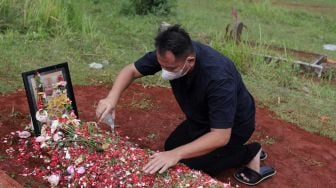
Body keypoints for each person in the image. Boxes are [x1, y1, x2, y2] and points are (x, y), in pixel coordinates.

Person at [96, 25, 276, 186]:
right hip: (202, 118)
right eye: (161, 65)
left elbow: (220, 136)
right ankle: (225, 152)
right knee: (171, 146)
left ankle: (250, 152)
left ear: (189, 61)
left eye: (170, 68)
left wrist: (177, 154)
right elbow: (132, 70)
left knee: (190, 163)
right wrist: (111, 98)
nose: (164, 71)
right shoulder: (170, 52)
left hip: (234, 126)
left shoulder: (218, 78)